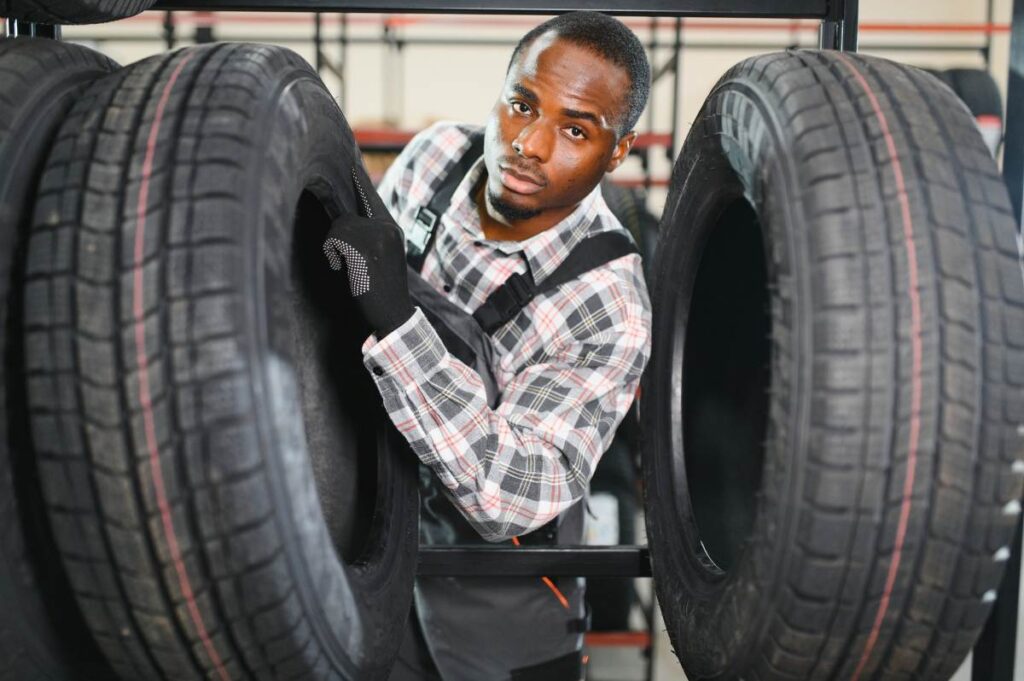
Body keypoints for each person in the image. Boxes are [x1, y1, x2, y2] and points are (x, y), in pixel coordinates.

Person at [325, 11, 652, 680]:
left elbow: (506, 494)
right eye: (521, 104)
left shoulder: (609, 305)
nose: (529, 143)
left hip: (500, 628)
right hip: (369, 571)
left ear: (615, 152)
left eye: (575, 129)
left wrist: (395, 321)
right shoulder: (437, 157)